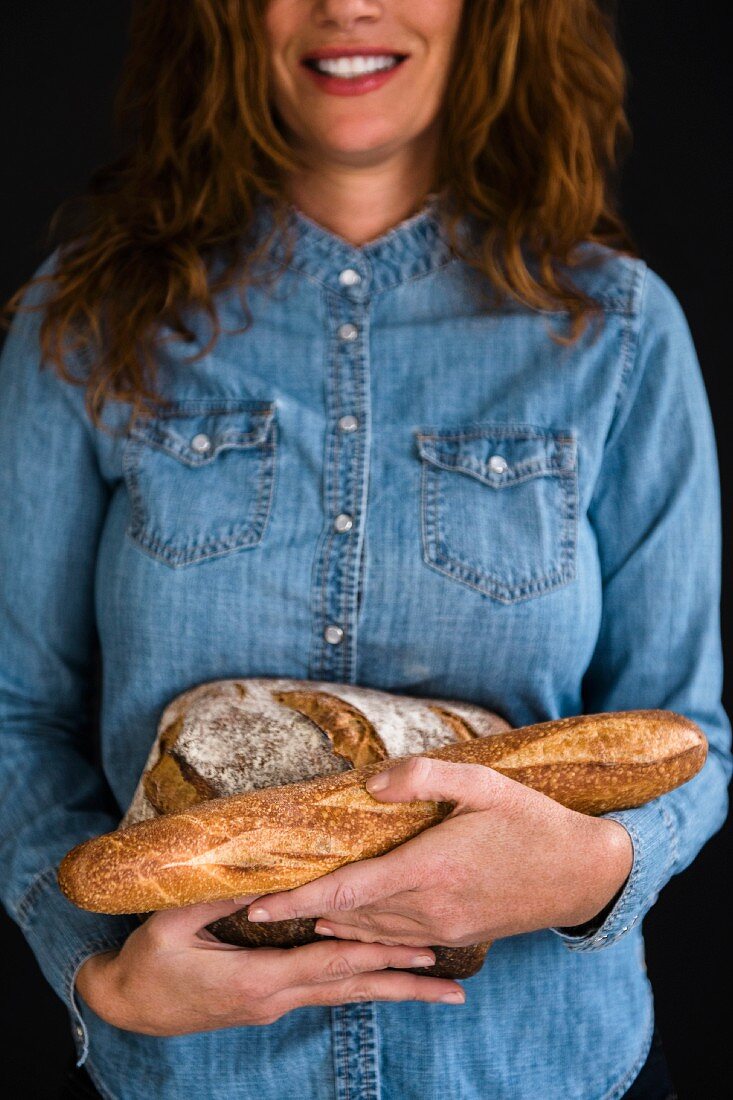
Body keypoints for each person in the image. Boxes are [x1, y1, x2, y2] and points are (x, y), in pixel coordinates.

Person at [0, 2, 729, 1098]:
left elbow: (685, 735)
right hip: (193, 1078)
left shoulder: (614, 331)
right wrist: (98, 974)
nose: (348, 5)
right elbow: (13, 709)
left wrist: (590, 867)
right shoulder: (89, 321)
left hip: (543, 1067)